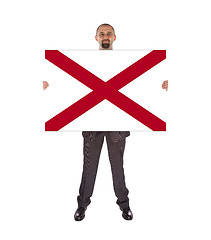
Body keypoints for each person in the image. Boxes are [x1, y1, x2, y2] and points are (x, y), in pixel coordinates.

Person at [43, 24, 168, 221]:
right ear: (96, 38)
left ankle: (124, 205)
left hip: (117, 124)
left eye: (108, 33)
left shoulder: (127, 62)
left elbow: (141, 84)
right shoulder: (84, 62)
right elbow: (70, 83)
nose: (105, 36)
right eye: (102, 34)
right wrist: (52, 85)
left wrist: (159, 86)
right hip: (92, 124)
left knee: (117, 166)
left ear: (115, 37)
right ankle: (82, 205)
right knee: (89, 166)